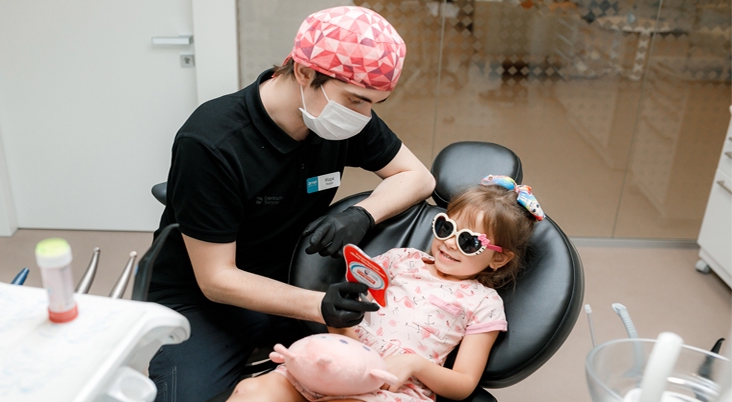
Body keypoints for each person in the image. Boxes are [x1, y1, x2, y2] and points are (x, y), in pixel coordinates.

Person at [147, 6, 436, 402]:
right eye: (355, 100)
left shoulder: (341, 117)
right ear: (303, 72)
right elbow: (217, 279)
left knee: (379, 381)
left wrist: (362, 214)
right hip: (205, 300)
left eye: (374, 103)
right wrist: (318, 306)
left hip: (296, 277)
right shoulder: (212, 142)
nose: (364, 116)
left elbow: (418, 177)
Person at [227, 175, 546, 402]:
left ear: (499, 259)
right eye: (445, 227)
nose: (448, 242)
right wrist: (337, 322)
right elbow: (346, 314)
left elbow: (463, 384)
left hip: (393, 386)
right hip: (340, 356)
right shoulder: (401, 259)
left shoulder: (484, 303)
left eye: (468, 241)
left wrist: (414, 364)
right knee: (250, 392)